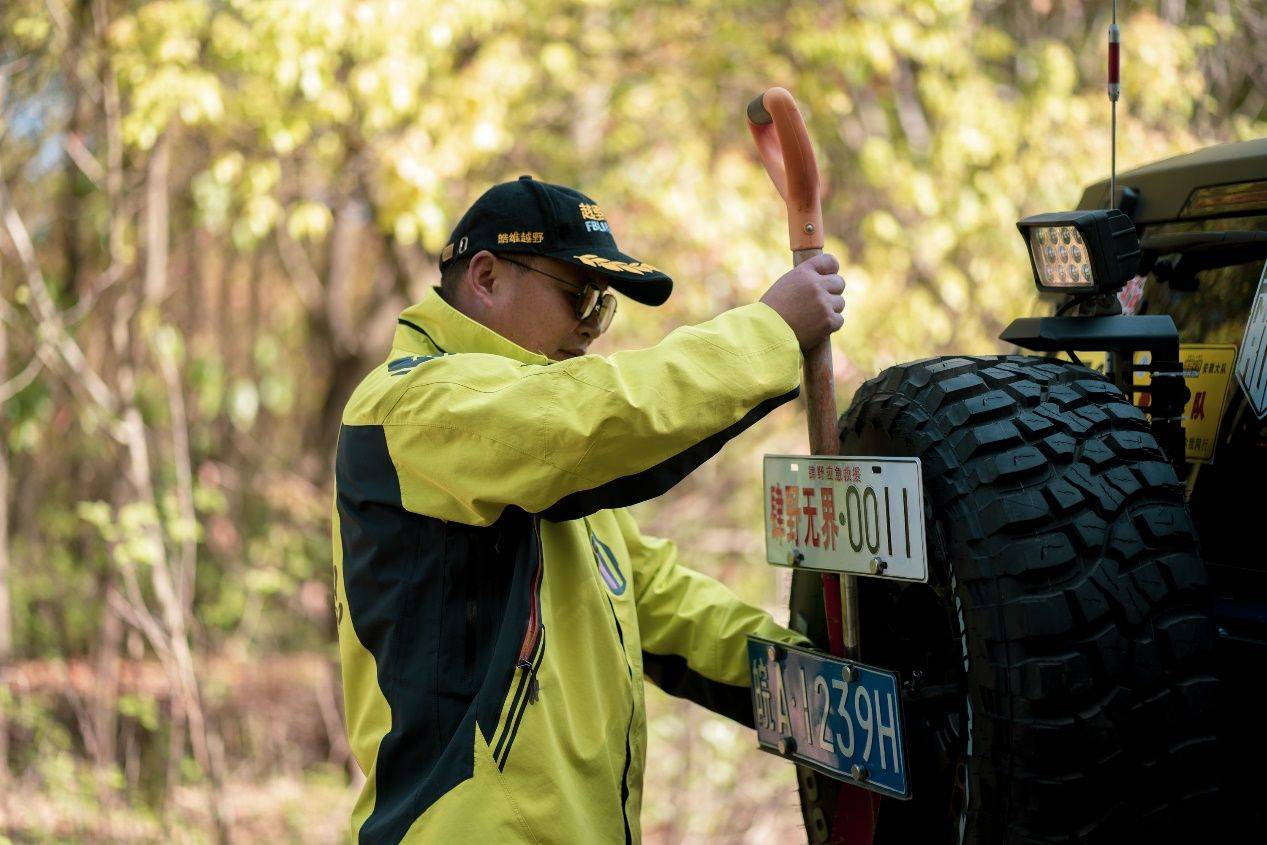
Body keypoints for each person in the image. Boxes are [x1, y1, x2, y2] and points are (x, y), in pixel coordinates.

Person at [332, 175, 846, 843]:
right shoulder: (410, 406)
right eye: (578, 296)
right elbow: (595, 415)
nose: (588, 330)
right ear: (486, 277)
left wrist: (835, 703)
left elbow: (677, 619)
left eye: (602, 308)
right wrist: (771, 332)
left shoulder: (559, 478)